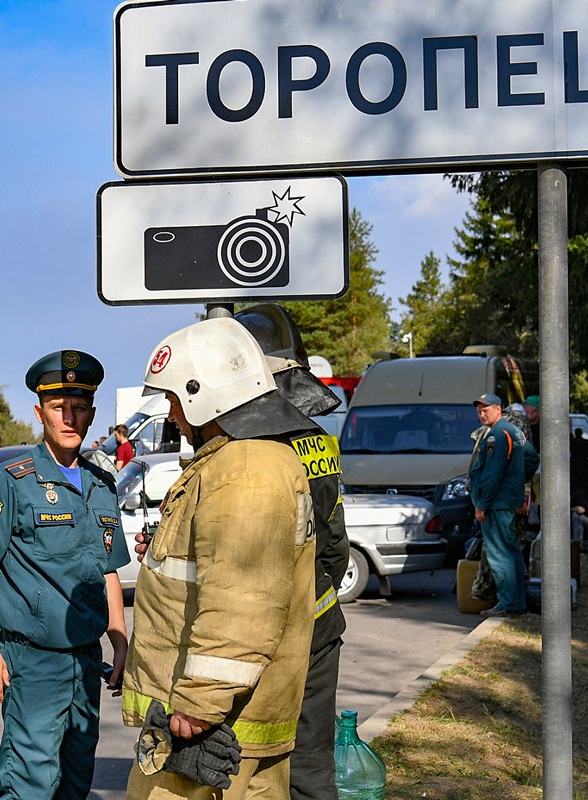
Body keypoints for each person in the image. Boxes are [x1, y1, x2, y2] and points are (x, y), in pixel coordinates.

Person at [123, 318, 316, 799]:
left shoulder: (245, 471)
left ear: (201, 393)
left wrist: (199, 703)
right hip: (224, 722)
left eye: (174, 399)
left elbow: (244, 599)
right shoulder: (238, 462)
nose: (172, 415)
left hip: (208, 729)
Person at [0, 350, 129, 800]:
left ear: (91, 413)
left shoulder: (101, 485)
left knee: (76, 781)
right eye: (58, 407)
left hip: (86, 661)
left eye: (79, 407)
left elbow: (108, 570)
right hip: (33, 663)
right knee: (30, 784)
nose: (69, 418)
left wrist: (120, 641)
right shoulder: (10, 481)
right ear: (40, 413)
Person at [235, 304, 350, 800]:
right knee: (310, 766)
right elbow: (336, 545)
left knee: (251, 766)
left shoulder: (244, 446)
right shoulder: (318, 440)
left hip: (261, 636)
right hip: (320, 625)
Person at [468, 392, 529, 617]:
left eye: (485, 410)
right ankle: (517, 602)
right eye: (479, 411)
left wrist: (482, 504)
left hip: (495, 503)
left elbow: (492, 474)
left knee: (498, 554)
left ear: (498, 409)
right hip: (506, 500)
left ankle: (508, 604)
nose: (481, 415)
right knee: (511, 552)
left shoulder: (496, 435)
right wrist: (517, 486)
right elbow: (531, 458)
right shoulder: (515, 432)